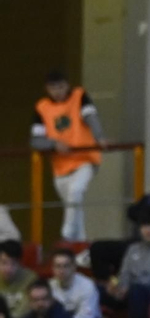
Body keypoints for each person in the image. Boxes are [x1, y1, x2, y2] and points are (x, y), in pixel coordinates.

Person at [32, 71, 103, 242]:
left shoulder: (79, 96)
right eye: (53, 87)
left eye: (61, 86)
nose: (58, 91)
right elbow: (35, 139)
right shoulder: (42, 107)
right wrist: (53, 144)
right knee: (74, 207)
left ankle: (67, 235)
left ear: (67, 85)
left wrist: (100, 137)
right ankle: (80, 247)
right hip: (60, 167)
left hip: (85, 159)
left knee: (76, 192)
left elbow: (91, 117)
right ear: (47, 89)